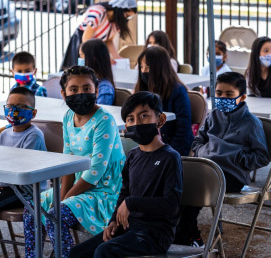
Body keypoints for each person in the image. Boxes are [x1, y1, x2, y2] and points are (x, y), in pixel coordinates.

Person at [23, 66, 126, 258]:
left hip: (104, 190)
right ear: (63, 93)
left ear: (96, 89)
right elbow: (68, 162)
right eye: (74, 89)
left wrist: (64, 201)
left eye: (87, 88)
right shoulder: (68, 117)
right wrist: (62, 198)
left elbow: (96, 171)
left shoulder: (104, 120)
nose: (81, 94)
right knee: (32, 210)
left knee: (56, 217)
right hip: (79, 186)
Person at [68, 91, 183, 258]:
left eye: (144, 116)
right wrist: (113, 221)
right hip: (127, 228)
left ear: (161, 120)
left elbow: (171, 205)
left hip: (155, 235)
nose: (137, 123)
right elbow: (125, 192)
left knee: (104, 251)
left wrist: (132, 203)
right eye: (130, 119)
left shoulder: (170, 158)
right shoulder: (133, 155)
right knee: (76, 253)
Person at [175, 72, 270, 246]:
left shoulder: (251, 123)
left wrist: (237, 158)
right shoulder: (213, 115)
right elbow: (197, 141)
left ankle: (182, 239)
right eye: (219, 93)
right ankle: (189, 236)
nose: (222, 98)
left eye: (229, 94)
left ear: (242, 98)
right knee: (175, 184)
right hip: (207, 169)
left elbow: (262, 156)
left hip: (231, 176)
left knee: (193, 187)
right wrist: (205, 151)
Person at [134, 46, 194, 156]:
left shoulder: (177, 91)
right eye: (141, 67)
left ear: (159, 68)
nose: (143, 72)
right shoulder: (142, 90)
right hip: (146, 148)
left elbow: (183, 129)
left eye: (147, 68)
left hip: (173, 148)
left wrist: (169, 154)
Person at [61, 0, 137, 70]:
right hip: (83, 46)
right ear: (120, 9)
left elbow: (109, 40)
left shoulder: (116, 22)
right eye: (126, 15)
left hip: (95, 48)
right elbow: (86, 39)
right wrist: (101, 58)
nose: (126, 19)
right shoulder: (98, 12)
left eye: (129, 17)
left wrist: (116, 57)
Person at [0, 87, 47, 210]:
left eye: (21, 107)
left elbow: (21, 171)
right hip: (7, 185)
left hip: (27, 191)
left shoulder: (34, 135)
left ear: (33, 113)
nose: (14, 111)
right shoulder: (4, 134)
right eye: (10, 106)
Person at [79, 39, 115, 105]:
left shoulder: (104, 89)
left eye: (81, 56)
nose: (80, 59)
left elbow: (100, 113)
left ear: (93, 59)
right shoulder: (83, 83)